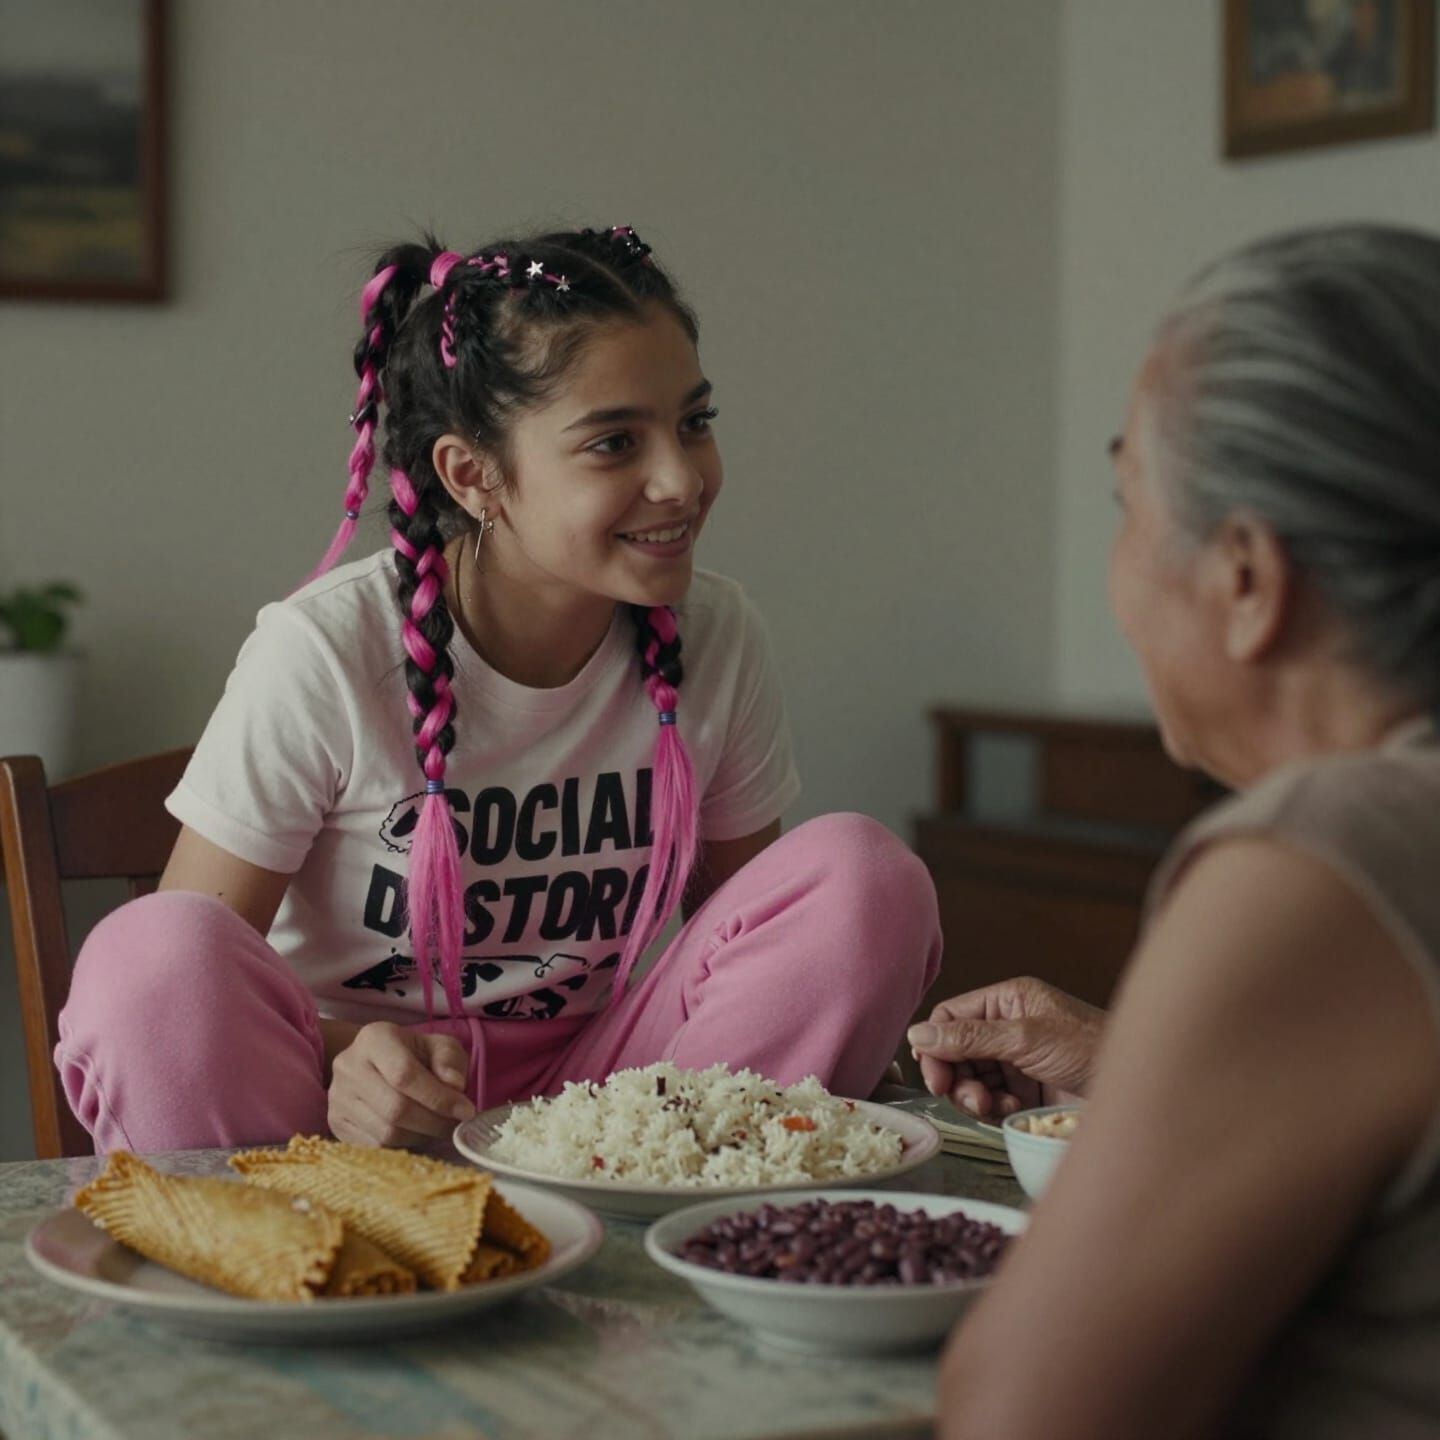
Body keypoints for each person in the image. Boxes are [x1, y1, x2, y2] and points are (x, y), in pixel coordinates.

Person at [57, 224, 940, 1153]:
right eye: (613, 444)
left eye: (695, 423)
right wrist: (352, 1061)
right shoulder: (326, 653)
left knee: (860, 879)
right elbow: (191, 977)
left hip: (606, 1120)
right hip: (344, 1121)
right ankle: (291, 1262)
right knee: (148, 956)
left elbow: (762, 935)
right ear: (473, 474)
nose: (682, 479)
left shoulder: (717, 636)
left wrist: (845, 1017)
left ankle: (655, 1228)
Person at [911, 224, 1440, 1439]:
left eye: (1127, 503)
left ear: (1247, 577)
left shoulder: (1323, 857)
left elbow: (1022, 1415)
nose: (1121, 562)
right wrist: (1137, 1065)